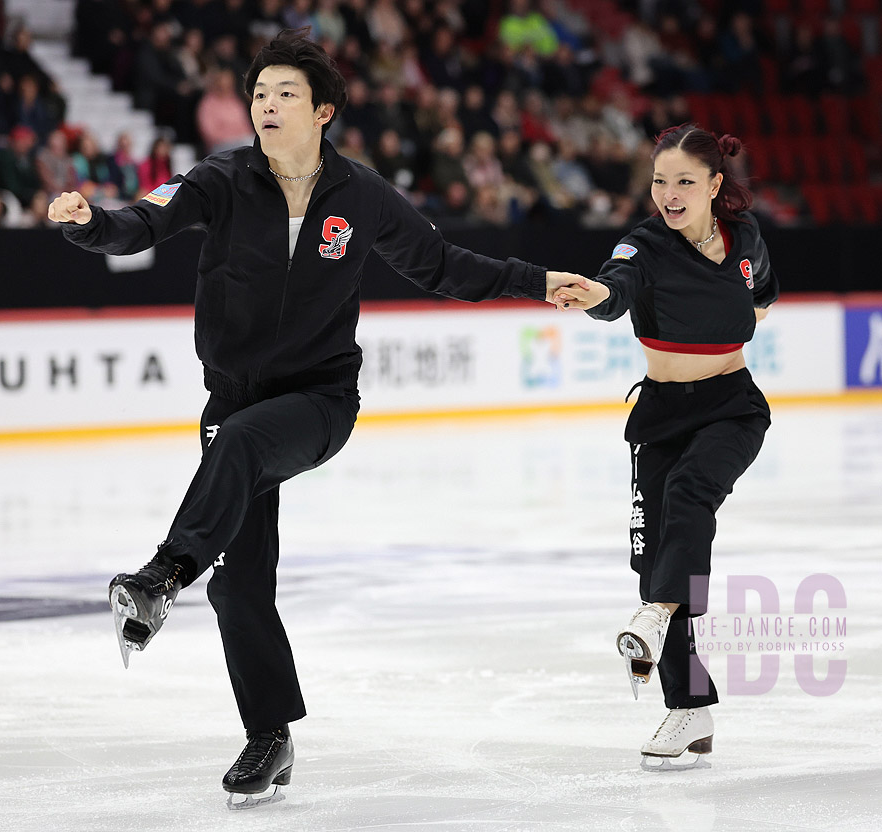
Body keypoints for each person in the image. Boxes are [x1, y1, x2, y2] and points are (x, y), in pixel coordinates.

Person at [48, 28, 577, 808]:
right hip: (232, 399)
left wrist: (538, 282)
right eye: (259, 94)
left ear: (323, 110)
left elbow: (444, 266)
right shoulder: (219, 179)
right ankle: (271, 736)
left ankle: (162, 575)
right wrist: (89, 223)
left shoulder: (360, 198)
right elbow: (143, 221)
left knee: (248, 443)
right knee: (239, 586)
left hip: (320, 401)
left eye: (285, 94)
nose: (266, 105)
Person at [554, 124, 778, 771]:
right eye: (659, 181)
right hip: (659, 415)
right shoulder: (643, 245)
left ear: (714, 185)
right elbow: (614, 287)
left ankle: (655, 612)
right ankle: (689, 709)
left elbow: (762, 292)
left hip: (732, 409)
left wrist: (729, 328)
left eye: (685, 182)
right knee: (654, 557)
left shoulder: (747, 240)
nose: (670, 194)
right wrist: (595, 296)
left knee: (687, 500)